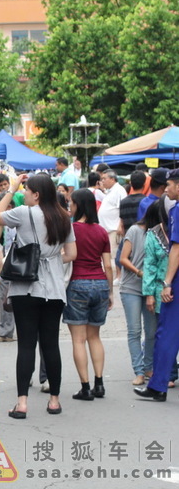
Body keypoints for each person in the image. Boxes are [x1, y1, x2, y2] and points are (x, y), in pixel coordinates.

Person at [0, 173, 76, 418]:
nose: (23, 194)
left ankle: (22, 404)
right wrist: (49, 258)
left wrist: (11, 188)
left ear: (36, 194)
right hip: (54, 289)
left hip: (26, 287)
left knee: (26, 345)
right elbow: (71, 254)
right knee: (51, 344)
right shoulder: (63, 217)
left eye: (26, 190)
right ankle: (54, 401)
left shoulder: (23, 213)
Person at [64, 189, 113, 400]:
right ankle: (99, 383)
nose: (70, 207)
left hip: (77, 283)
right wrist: (110, 291)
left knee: (78, 339)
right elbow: (108, 265)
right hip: (100, 283)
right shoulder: (101, 232)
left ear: (78, 205)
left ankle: (85, 387)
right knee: (95, 336)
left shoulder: (71, 229)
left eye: (71, 203)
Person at [136, 169, 179, 401]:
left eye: (169, 185)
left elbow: (177, 248)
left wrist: (167, 282)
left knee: (166, 333)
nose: (166, 190)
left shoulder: (178, 211)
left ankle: (158, 385)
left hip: (176, 280)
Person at [121, 200, 160, 385]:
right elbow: (123, 258)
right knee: (134, 330)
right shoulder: (135, 231)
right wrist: (139, 272)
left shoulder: (161, 233)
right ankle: (138, 371)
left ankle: (148, 367)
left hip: (151, 287)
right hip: (132, 286)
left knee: (151, 331)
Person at [0, 192, 16, 342]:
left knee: (5, 296)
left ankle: (6, 332)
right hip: (11, 263)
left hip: (13, 265)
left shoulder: (16, 220)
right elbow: (0, 226)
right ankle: (6, 332)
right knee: (5, 297)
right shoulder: (8, 220)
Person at [98, 170, 128, 284]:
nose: (102, 181)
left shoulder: (119, 190)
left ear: (112, 179)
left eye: (104, 178)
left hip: (114, 228)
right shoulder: (110, 191)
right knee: (109, 254)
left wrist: (120, 225)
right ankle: (115, 276)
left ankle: (119, 276)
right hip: (106, 228)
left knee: (115, 254)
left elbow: (122, 209)